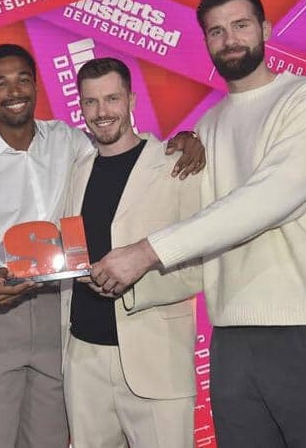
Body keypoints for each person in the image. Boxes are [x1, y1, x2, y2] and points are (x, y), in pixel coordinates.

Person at [91, 0, 306, 447]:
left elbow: (271, 196)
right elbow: (207, 225)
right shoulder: (208, 126)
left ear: (265, 29)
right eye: (216, 31)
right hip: (231, 336)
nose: (229, 39)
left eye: (240, 25)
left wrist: (145, 252)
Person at [0, 43, 205, 448]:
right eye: (1, 83)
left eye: (23, 79)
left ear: (37, 85)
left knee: (50, 438)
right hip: (0, 312)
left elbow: (125, 150)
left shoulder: (69, 141)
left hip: (60, 313)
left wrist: (186, 138)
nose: (14, 91)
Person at [61, 57, 202, 448]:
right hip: (84, 360)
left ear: (131, 100)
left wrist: (132, 283)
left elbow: (202, 265)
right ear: (80, 107)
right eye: (91, 102)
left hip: (157, 359)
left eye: (112, 99)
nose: (102, 112)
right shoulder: (77, 170)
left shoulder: (176, 165)